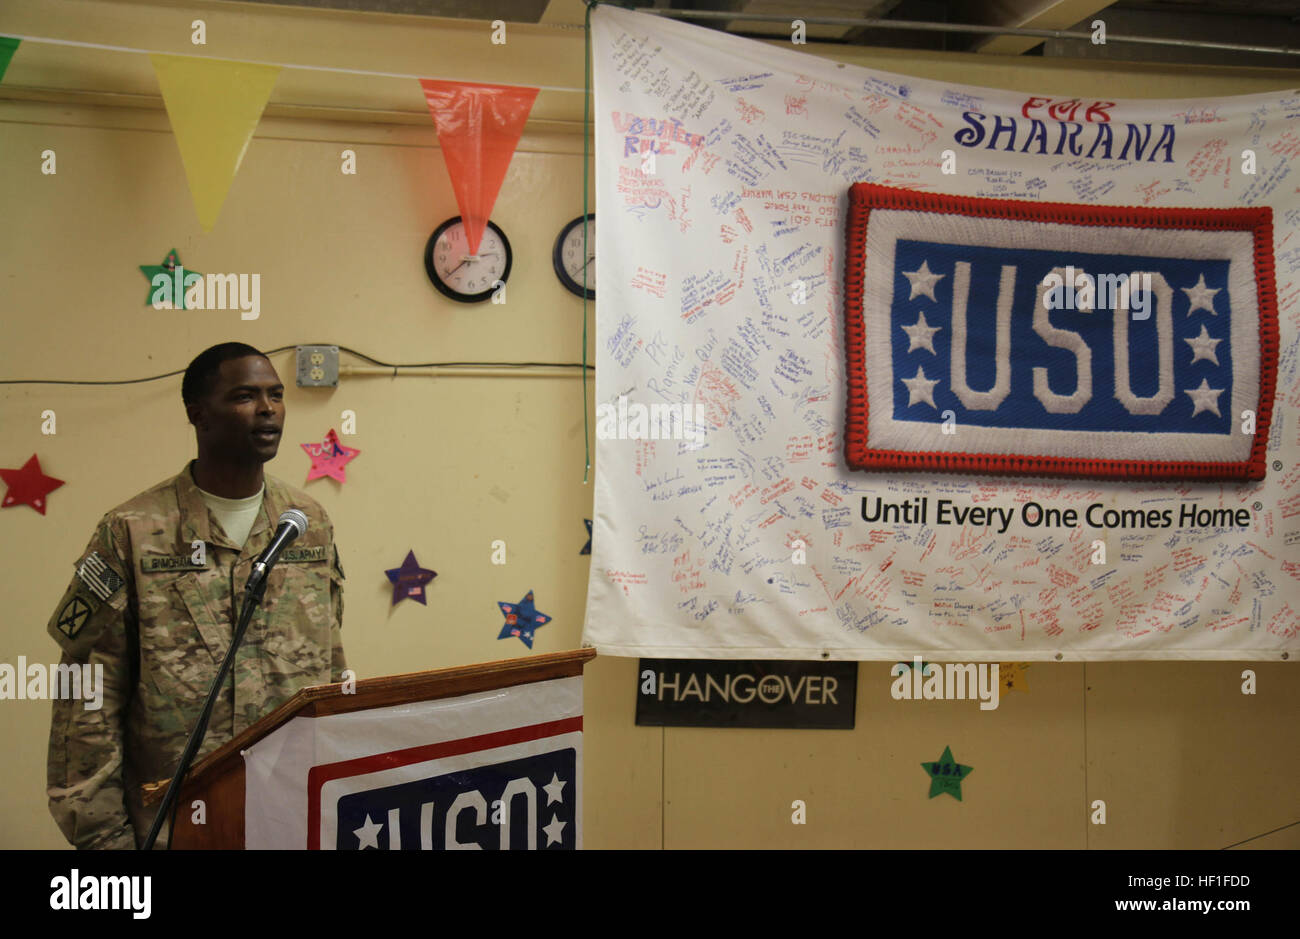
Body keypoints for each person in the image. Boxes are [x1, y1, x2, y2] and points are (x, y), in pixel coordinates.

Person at [46, 342, 347, 849]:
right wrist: (108, 843)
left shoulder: (306, 522)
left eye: (275, 395)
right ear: (198, 415)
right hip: (176, 829)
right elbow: (88, 701)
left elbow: (331, 666)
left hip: (293, 819)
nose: (269, 408)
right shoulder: (131, 533)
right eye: (246, 396)